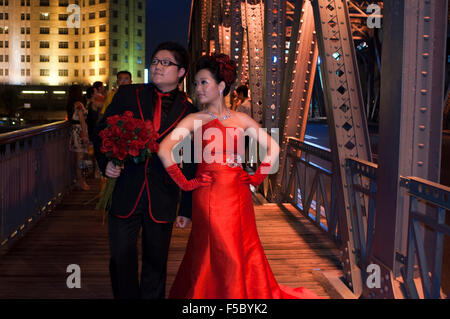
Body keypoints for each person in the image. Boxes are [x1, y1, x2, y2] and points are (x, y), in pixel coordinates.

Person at [157, 53, 318, 299]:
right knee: (215, 246)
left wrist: (255, 179)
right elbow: (163, 149)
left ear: (221, 87)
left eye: (204, 83)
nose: (198, 89)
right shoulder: (194, 120)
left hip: (237, 195)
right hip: (207, 195)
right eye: (196, 83)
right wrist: (185, 183)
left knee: (240, 246)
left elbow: (274, 149)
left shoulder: (240, 119)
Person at [93, 41, 198, 299]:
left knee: (156, 263)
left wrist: (186, 207)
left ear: (181, 72)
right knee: (120, 257)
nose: (158, 67)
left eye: (166, 63)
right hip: (125, 189)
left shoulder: (190, 111)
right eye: (155, 62)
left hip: (163, 195)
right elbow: (101, 132)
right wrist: (105, 163)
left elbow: (193, 161)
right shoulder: (129, 95)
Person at [68, 84, 90, 191]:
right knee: (80, 159)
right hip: (80, 132)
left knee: (78, 158)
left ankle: (79, 181)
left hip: (75, 132)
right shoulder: (79, 104)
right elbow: (82, 120)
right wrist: (85, 135)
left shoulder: (72, 104)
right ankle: (81, 181)